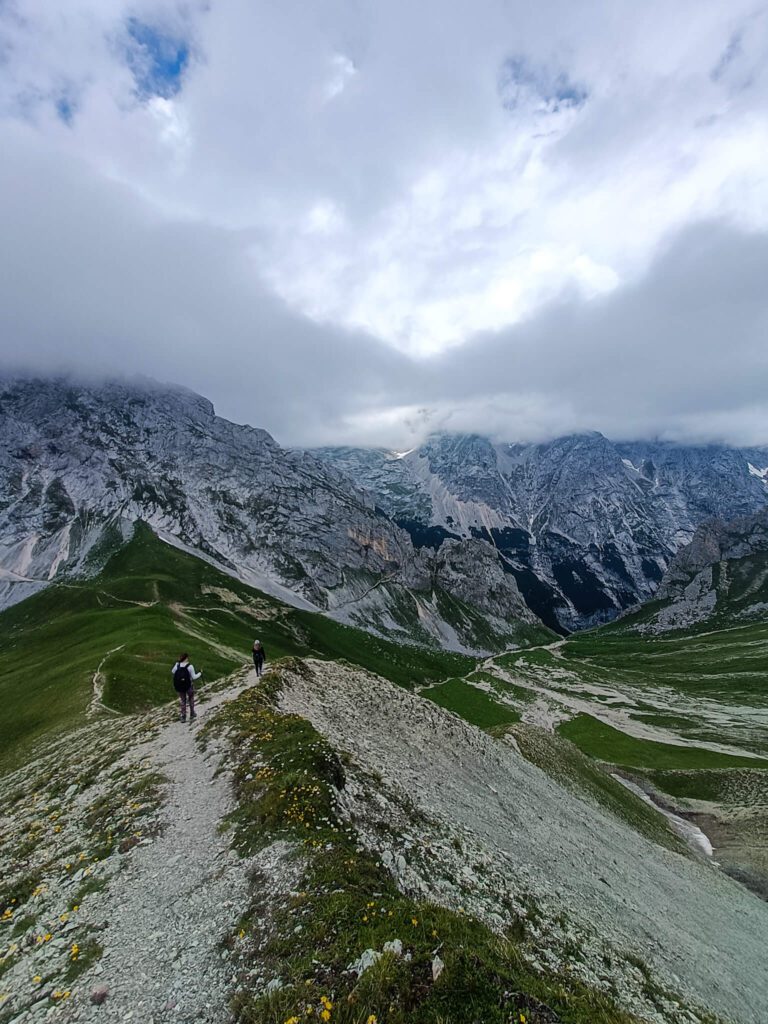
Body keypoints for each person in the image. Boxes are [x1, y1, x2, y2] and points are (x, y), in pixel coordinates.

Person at [171, 652, 202, 722]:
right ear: (186, 658)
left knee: (183, 700)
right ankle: (192, 713)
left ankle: (183, 716)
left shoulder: (177, 665)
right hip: (189, 686)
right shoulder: (190, 666)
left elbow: (173, 672)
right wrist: (200, 673)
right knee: (191, 698)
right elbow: (194, 677)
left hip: (180, 686)